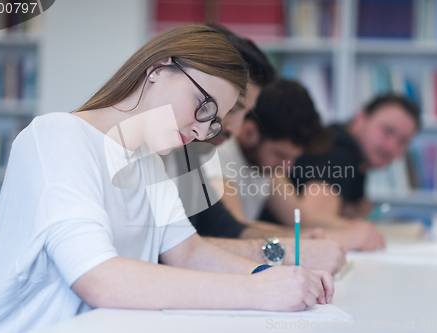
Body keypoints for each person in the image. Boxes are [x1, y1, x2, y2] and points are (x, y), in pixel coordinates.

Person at [0, 25, 334, 333]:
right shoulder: (57, 136)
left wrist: (268, 275)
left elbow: (188, 252)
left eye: (213, 121)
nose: (201, 129)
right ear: (159, 69)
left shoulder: (146, 159)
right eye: (203, 105)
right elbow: (99, 278)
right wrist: (260, 291)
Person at [162, 25, 345, 274]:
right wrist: (290, 251)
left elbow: (228, 229)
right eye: (233, 109)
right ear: (158, 71)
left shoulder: (188, 154)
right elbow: (171, 251)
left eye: (242, 112)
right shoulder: (189, 150)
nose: (236, 128)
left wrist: (301, 243)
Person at [203, 79, 386, 251]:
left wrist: (353, 227)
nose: (287, 167)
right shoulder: (220, 152)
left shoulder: (263, 161)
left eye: (292, 158)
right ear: (249, 132)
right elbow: (235, 229)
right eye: (280, 155)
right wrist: (333, 237)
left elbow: (300, 217)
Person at [286, 94, 420, 221]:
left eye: (403, 141)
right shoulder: (339, 153)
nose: (392, 147)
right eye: (387, 131)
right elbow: (312, 230)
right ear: (361, 118)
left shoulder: (357, 160)